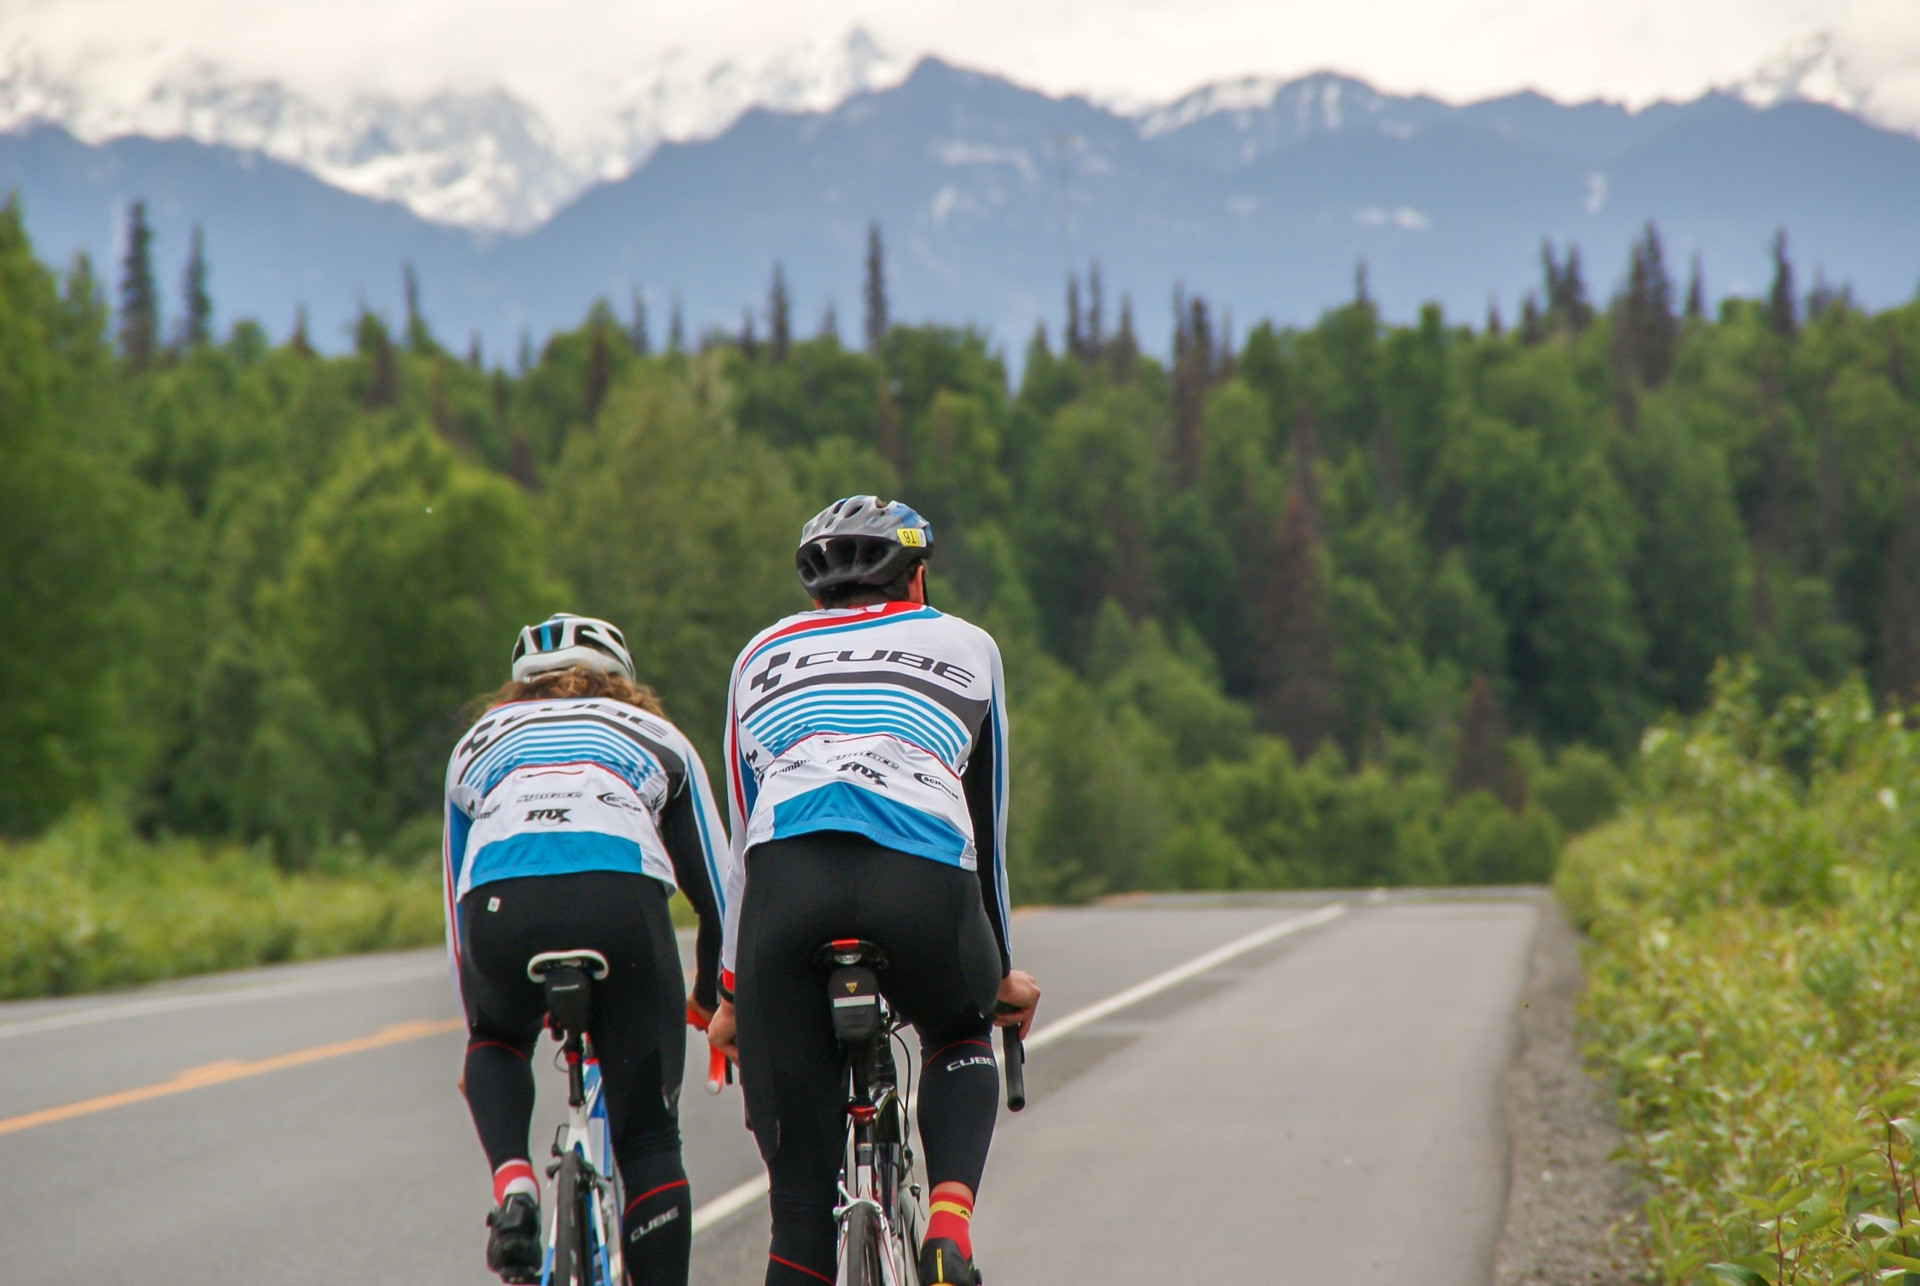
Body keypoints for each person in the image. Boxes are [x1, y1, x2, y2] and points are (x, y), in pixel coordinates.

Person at [705, 497, 1041, 1286]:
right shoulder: (967, 644)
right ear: (916, 579)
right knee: (961, 1033)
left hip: (786, 890)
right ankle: (948, 1231)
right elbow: (985, 831)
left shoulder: (759, 653)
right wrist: (998, 973)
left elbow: (740, 843)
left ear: (815, 596)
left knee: (796, 1211)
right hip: (922, 881)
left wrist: (729, 995)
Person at [442, 613, 728, 1285]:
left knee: (497, 1040)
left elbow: (456, 895)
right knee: (650, 1140)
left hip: (499, 906)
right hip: (617, 901)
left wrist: (480, 1031)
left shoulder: (473, 743)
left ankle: (514, 1186)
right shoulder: (658, 735)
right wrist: (715, 994)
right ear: (620, 680)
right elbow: (720, 888)